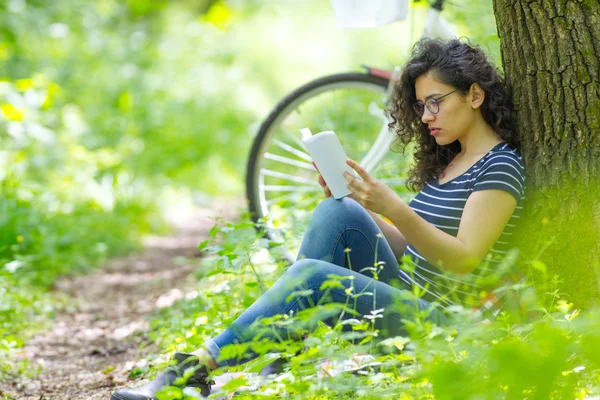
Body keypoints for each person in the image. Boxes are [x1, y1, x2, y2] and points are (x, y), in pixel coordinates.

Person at [111, 37, 526, 400]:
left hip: (443, 326)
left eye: (435, 102)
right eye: (420, 106)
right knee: (337, 210)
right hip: (405, 296)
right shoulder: (451, 161)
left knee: (313, 276)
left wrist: (395, 208)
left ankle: (190, 372)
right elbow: (412, 247)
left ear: (474, 95)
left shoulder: (500, 166)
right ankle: (275, 370)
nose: (425, 117)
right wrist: (364, 205)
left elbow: (465, 258)